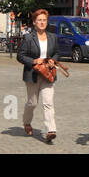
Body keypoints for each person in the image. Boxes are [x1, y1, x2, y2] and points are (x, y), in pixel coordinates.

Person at [16, 9, 61, 143]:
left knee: (48, 102)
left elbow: (57, 53)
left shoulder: (52, 37)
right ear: (35, 22)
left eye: (44, 20)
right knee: (32, 103)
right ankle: (26, 122)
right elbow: (20, 56)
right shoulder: (29, 38)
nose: (42, 23)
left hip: (48, 74)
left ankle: (50, 130)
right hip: (33, 74)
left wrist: (53, 59)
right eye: (39, 20)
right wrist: (33, 61)